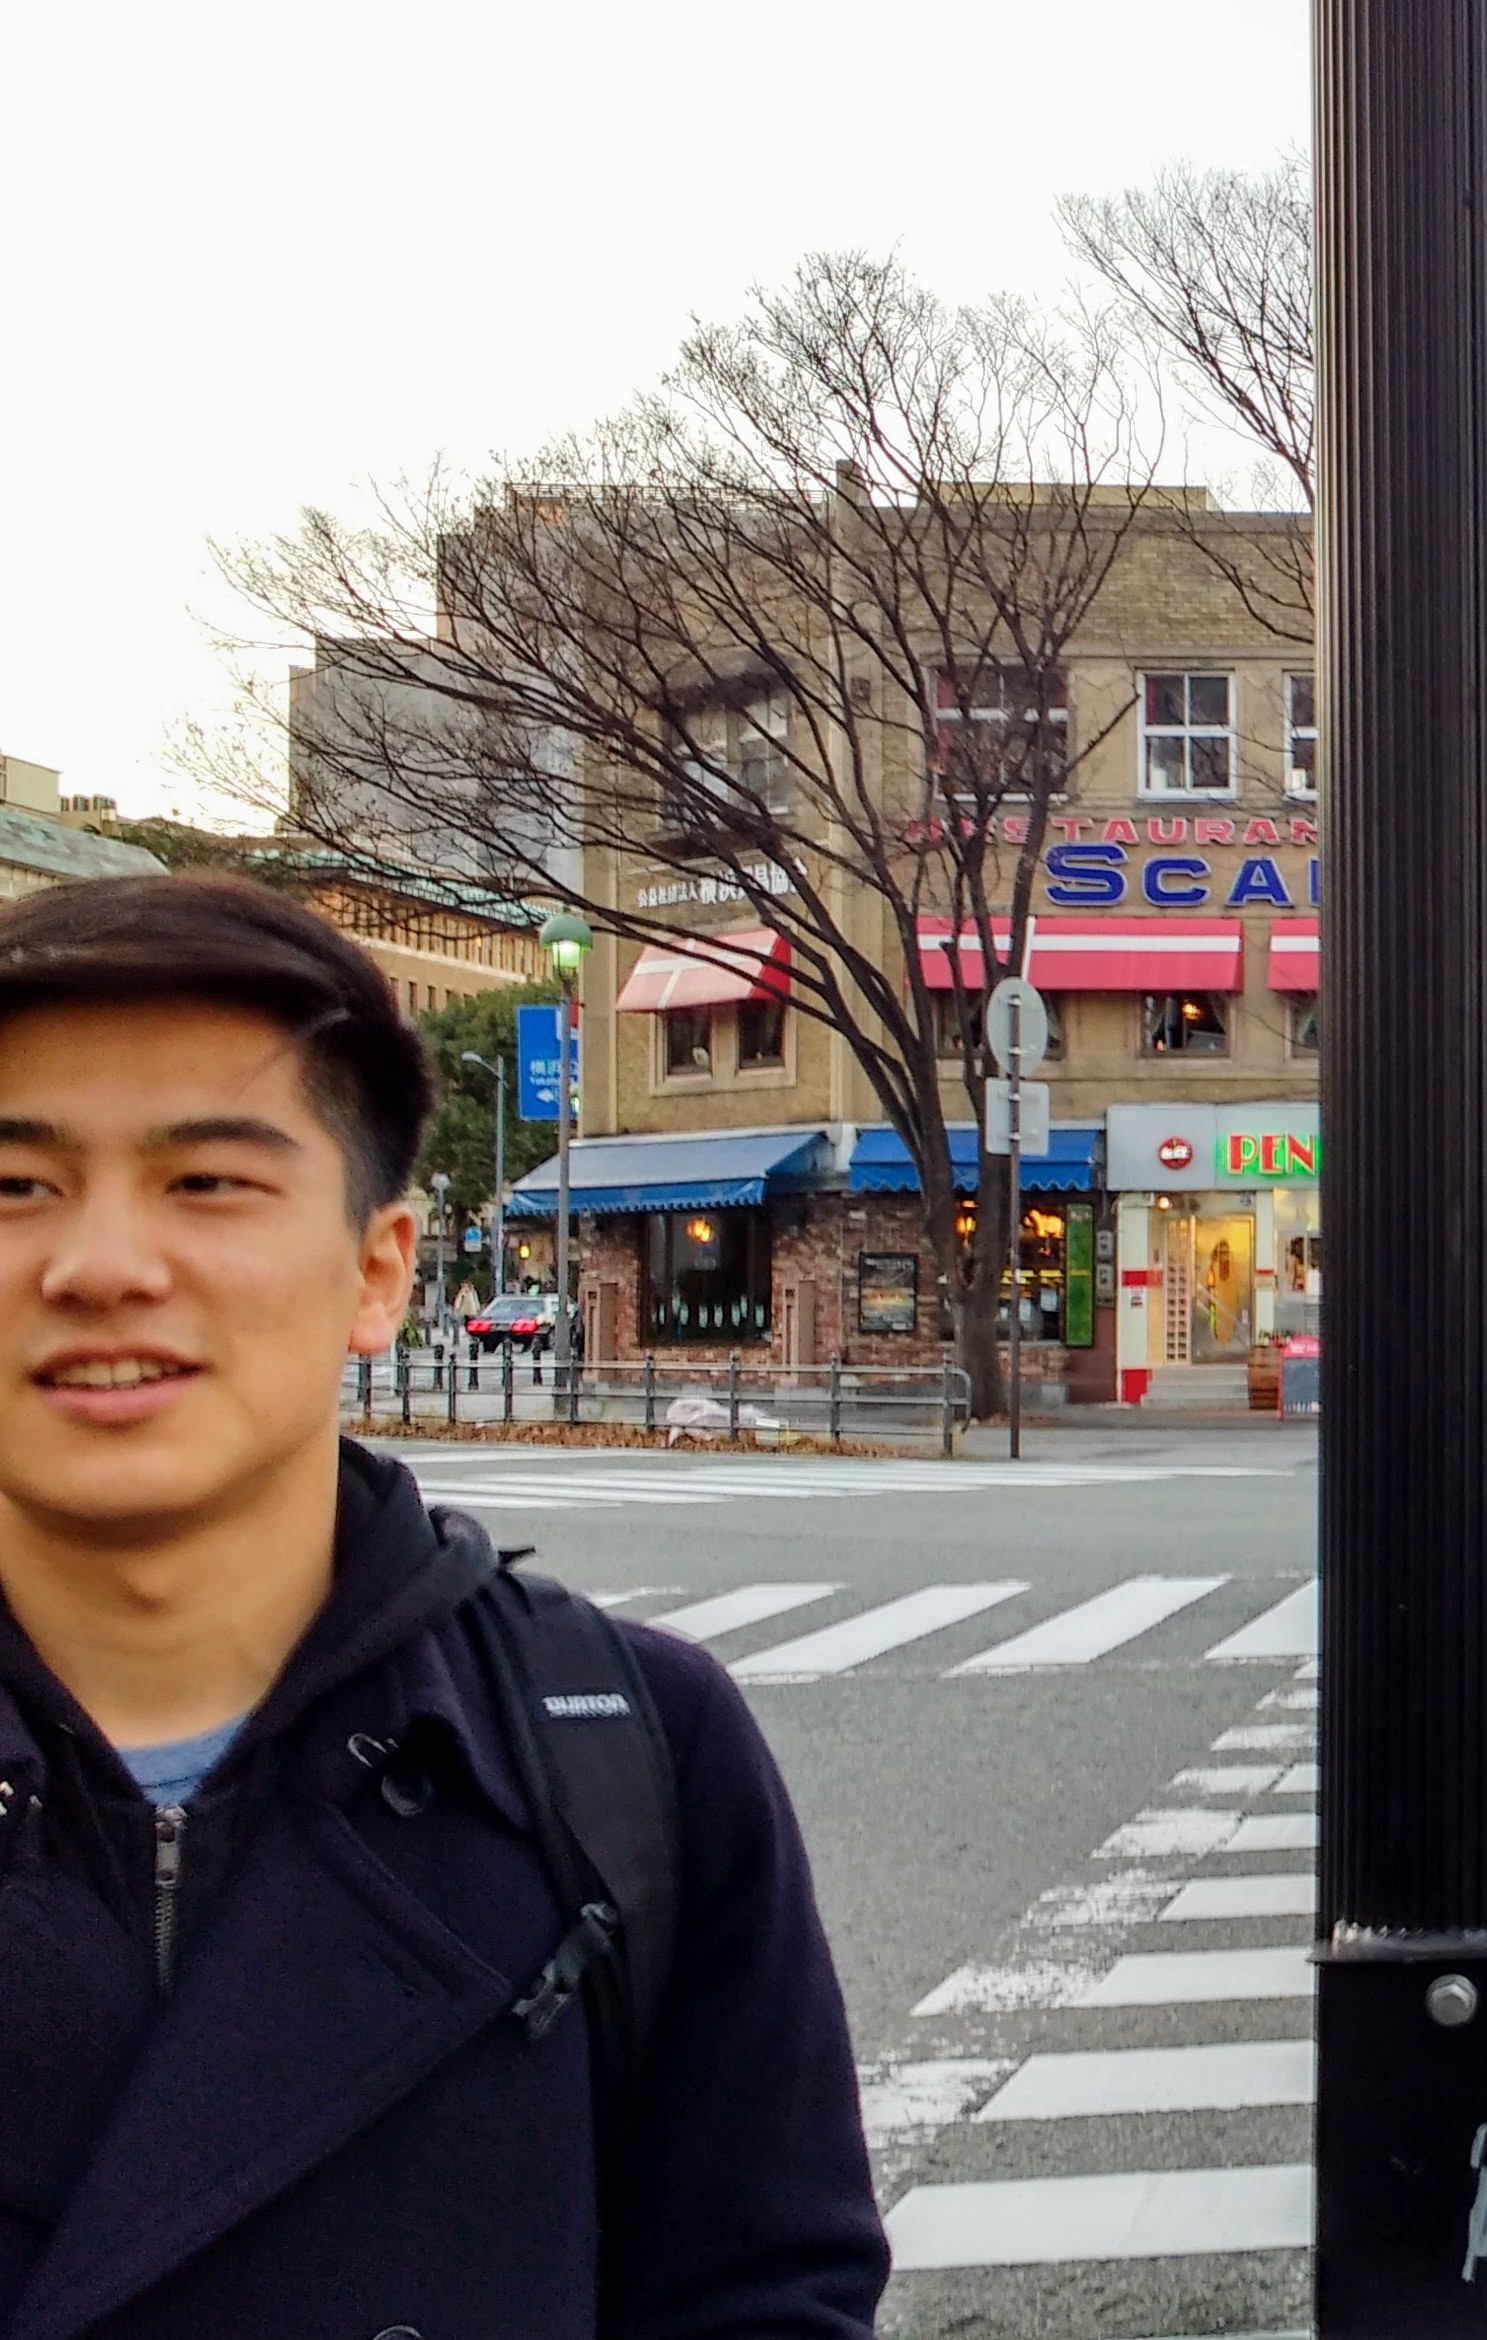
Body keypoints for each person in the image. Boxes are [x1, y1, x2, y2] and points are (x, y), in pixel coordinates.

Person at [0, 875, 885, 2335]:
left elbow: (764, 2292)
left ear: (378, 1272)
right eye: (16, 1188)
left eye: (207, 1182)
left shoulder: (629, 1755)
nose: (100, 1268)